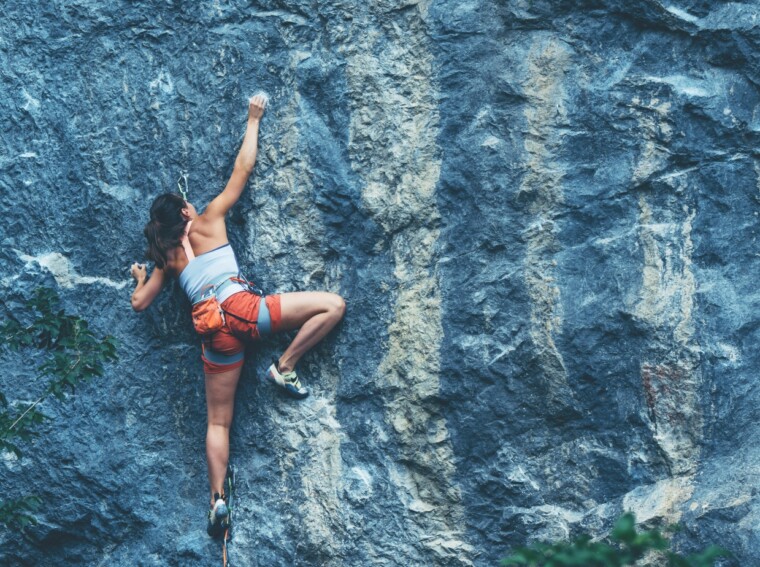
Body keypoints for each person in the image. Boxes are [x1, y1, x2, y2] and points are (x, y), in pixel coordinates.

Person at [129, 95, 345, 537]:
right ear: (185, 212)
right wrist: (253, 118)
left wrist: (139, 277)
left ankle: (217, 501)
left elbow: (140, 304)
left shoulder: (166, 260)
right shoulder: (210, 218)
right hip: (245, 312)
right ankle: (284, 367)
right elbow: (242, 170)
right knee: (333, 305)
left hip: (215, 336)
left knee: (217, 422)